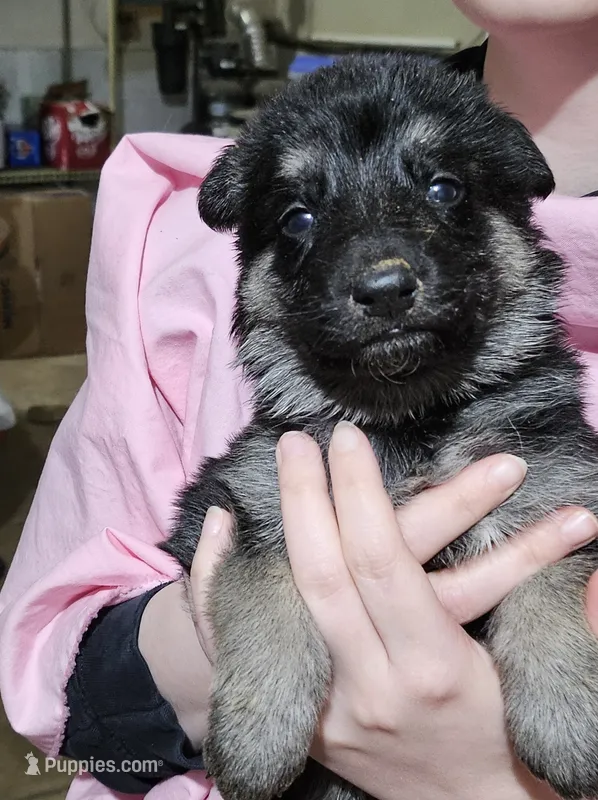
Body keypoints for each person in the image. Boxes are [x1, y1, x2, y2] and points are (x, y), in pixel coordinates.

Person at [1, 3, 597, 800]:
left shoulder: (544, 432)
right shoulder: (164, 257)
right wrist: (223, 643)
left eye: (444, 188)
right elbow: (84, 708)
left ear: (519, 214)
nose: (383, 268)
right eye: (302, 217)